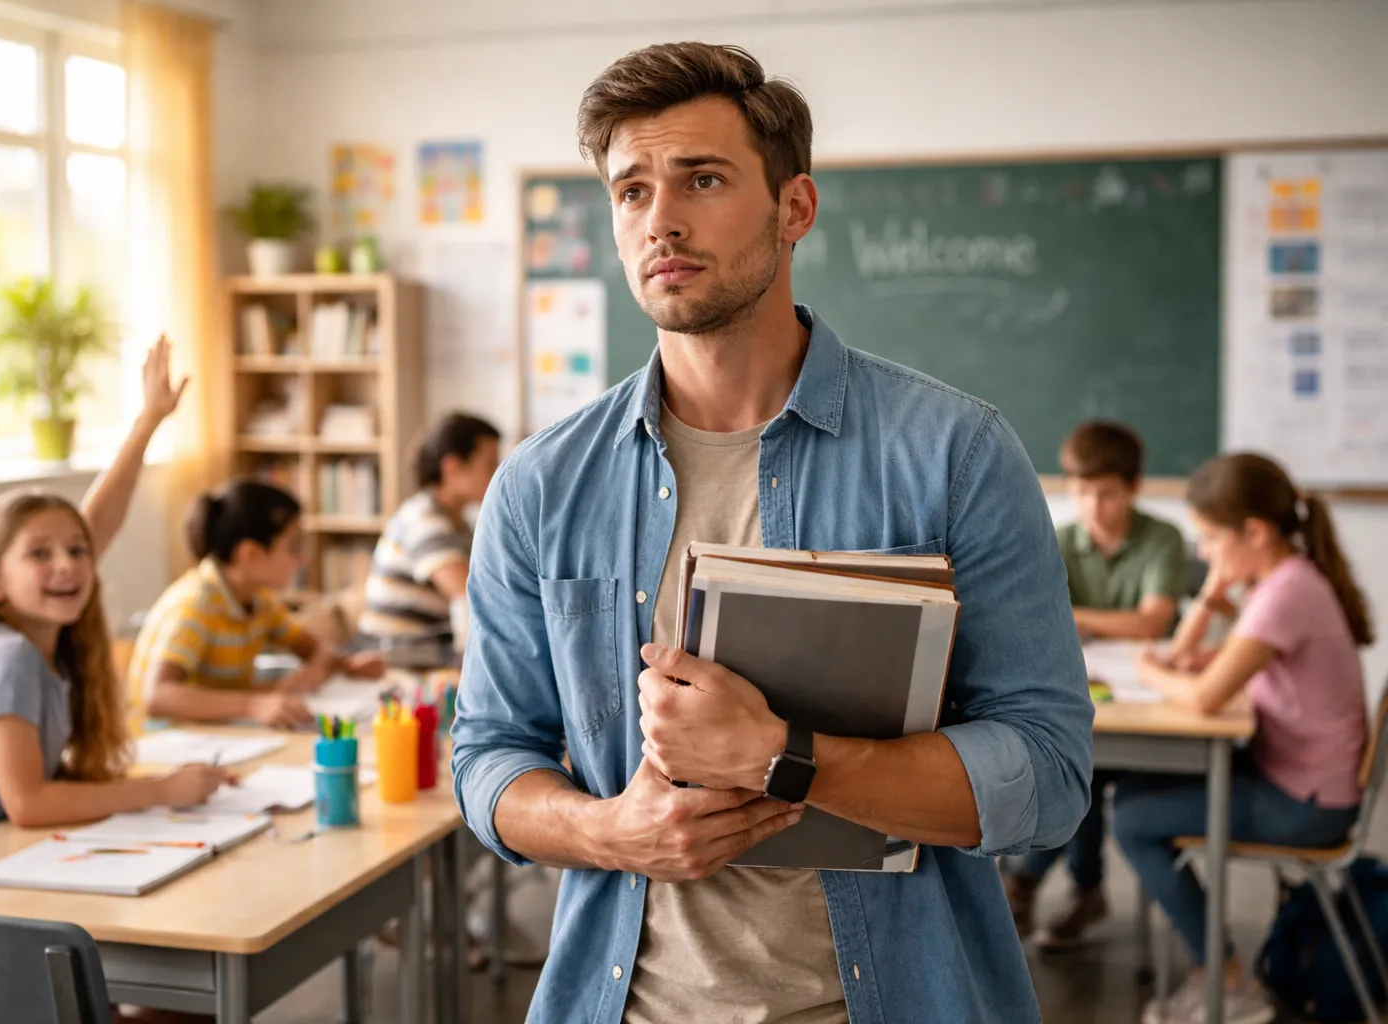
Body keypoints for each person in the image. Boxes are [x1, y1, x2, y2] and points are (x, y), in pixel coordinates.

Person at [451, 42, 1092, 1024]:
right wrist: (615, 829)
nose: (660, 217)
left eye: (702, 179)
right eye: (630, 191)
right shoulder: (540, 487)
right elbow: (490, 758)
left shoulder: (954, 453)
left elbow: (1048, 775)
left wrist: (784, 757)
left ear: (795, 208)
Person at [0, 338, 232, 857]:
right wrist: (159, 792)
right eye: (39, 555)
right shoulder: (10, 655)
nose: (67, 564)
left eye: (76, 552)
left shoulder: (39, 639)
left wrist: (150, 420)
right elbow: (28, 804)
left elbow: (97, 524)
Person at [1115, 452, 1372, 1024]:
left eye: (1209, 540)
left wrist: (1149, 670)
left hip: (1307, 806)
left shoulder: (1285, 593)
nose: (1203, 554)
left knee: (1130, 822)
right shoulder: (1284, 581)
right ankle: (1215, 964)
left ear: (1253, 531)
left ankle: (1228, 981)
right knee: (1133, 794)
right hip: (1305, 783)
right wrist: (1208, 600)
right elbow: (1200, 660)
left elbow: (1204, 695)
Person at [1003, 421, 1187, 948]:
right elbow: (1038, 618)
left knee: (1080, 767)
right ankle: (1079, 889)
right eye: (1082, 492)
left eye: (1106, 493)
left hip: (1151, 709)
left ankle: (1027, 884)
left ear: (1133, 488)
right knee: (1073, 759)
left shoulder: (1163, 539)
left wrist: (1078, 616)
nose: (1093, 506)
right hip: (1086, 696)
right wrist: (1103, 619)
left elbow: (1152, 623)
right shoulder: (1056, 539)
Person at [129, 479, 385, 728]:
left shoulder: (259, 600)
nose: (304, 558)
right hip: (170, 740)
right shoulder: (195, 605)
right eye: (294, 546)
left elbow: (312, 647)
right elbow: (158, 697)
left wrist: (343, 665)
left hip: (224, 734)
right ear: (251, 554)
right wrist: (253, 704)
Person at [359, 412, 501, 649]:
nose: (497, 474)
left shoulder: (459, 522)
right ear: (453, 467)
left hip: (424, 647)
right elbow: (472, 591)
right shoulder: (423, 518)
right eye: (490, 464)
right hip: (393, 652)